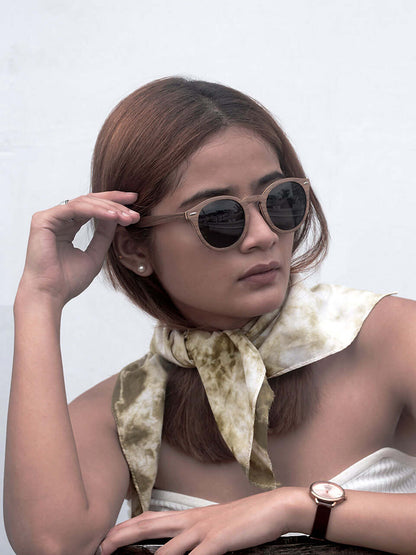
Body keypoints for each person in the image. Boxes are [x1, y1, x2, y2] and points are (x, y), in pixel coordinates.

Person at [4, 77, 416, 555]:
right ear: (136, 246)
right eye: (220, 217)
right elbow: (51, 547)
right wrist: (39, 299)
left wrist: (298, 508)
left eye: (281, 200)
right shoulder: (121, 410)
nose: (263, 235)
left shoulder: (387, 336)